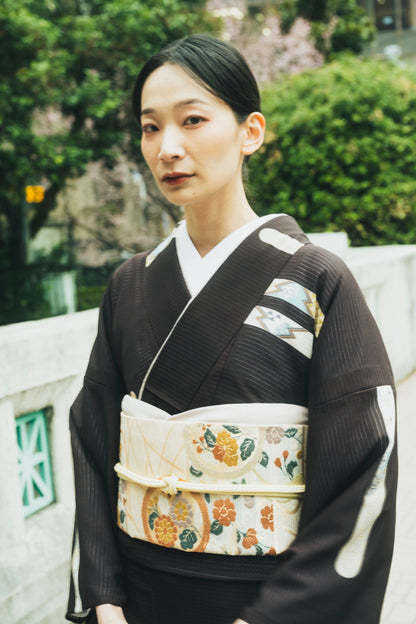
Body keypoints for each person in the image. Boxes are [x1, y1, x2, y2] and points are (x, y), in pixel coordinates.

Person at [66, 34, 397, 624]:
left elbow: (364, 467)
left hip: (264, 604)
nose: (168, 147)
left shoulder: (316, 281)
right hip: (137, 604)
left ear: (251, 132)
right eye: (150, 127)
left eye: (192, 120)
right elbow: (93, 445)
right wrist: (104, 598)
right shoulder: (129, 286)